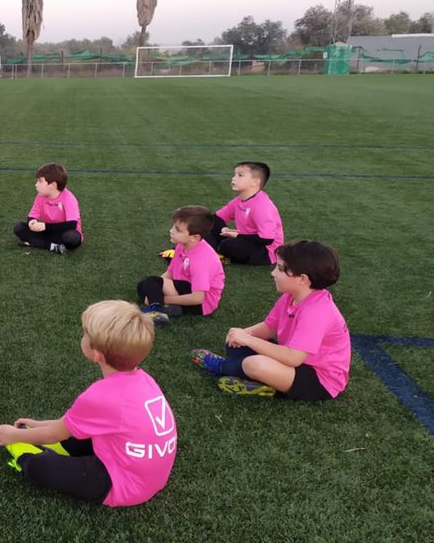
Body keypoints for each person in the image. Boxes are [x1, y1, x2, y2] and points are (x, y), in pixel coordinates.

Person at [0, 300, 176, 507]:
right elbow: (74, 423)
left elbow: (57, 433)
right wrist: (39, 424)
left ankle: (22, 451)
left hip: (121, 484)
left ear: (97, 354)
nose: (82, 337)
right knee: (78, 432)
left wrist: (14, 435)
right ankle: (48, 445)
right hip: (144, 474)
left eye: (85, 334)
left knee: (41, 467)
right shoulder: (145, 380)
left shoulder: (101, 396)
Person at [190, 240, 350, 399]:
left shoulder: (317, 311)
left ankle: (220, 367)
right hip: (294, 360)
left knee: (255, 364)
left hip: (319, 379)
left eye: (280, 269)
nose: (273, 273)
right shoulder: (290, 297)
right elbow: (270, 327)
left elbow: (293, 357)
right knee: (235, 345)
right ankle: (264, 383)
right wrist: (244, 334)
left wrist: (248, 340)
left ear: (303, 279)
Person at [137, 206, 223, 324]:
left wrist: (160, 298)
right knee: (143, 286)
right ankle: (170, 308)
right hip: (183, 288)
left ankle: (157, 311)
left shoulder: (202, 260)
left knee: (150, 283)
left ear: (194, 237)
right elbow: (170, 273)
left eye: (178, 230)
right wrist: (155, 290)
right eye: (173, 226)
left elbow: (198, 298)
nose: (171, 230)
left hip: (201, 303)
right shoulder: (182, 245)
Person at [209, 161, 284, 265]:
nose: (234, 178)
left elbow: (267, 239)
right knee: (205, 227)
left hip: (265, 251)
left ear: (255, 182)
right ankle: (211, 252)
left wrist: (237, 236)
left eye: (240, 175)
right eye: (234, 174)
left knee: (229, 245)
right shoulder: (239, 200)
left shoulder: (262, 206)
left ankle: (214, 254)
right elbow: (216, 218)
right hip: (245, 240)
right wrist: (223, 229)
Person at [12, 162, 82, 253]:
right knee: (19, 227)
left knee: (71, 238)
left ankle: (34, 242)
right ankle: (52, 247)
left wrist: (45, 226)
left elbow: (72, 224)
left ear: (53, 185)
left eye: (40, 181)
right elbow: (33, 214)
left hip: (63, 232)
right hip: (47, 232)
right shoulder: (40, 196)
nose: (36, 184)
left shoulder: (69, 198)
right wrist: (31, 222)